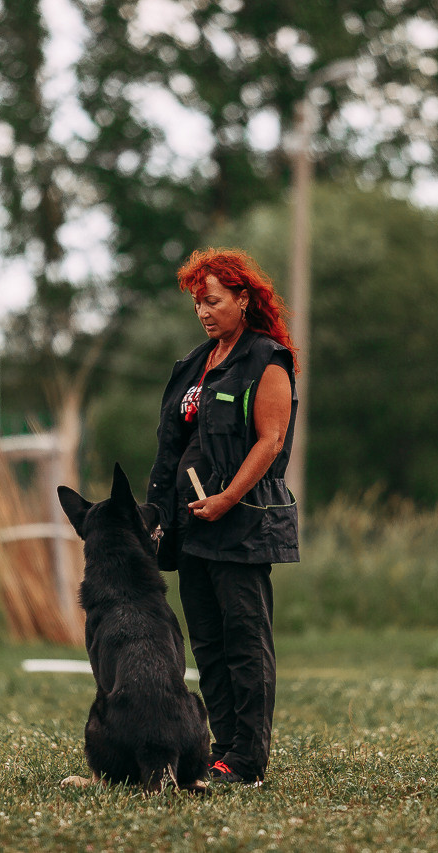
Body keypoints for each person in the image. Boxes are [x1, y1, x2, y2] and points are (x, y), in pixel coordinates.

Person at [146, 247, 299, 786]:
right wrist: (158, 515)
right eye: (197, 304)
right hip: (192, 528)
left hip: (241, 525)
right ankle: (222, 750)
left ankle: (248, 761)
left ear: (242, 298)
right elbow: (172, 447)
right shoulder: (193, 364)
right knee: (208, 642)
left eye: (213, 301)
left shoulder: (267, 359)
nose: (204, 312)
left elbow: (270, 439)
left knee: (245, 642)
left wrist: (227, 498)